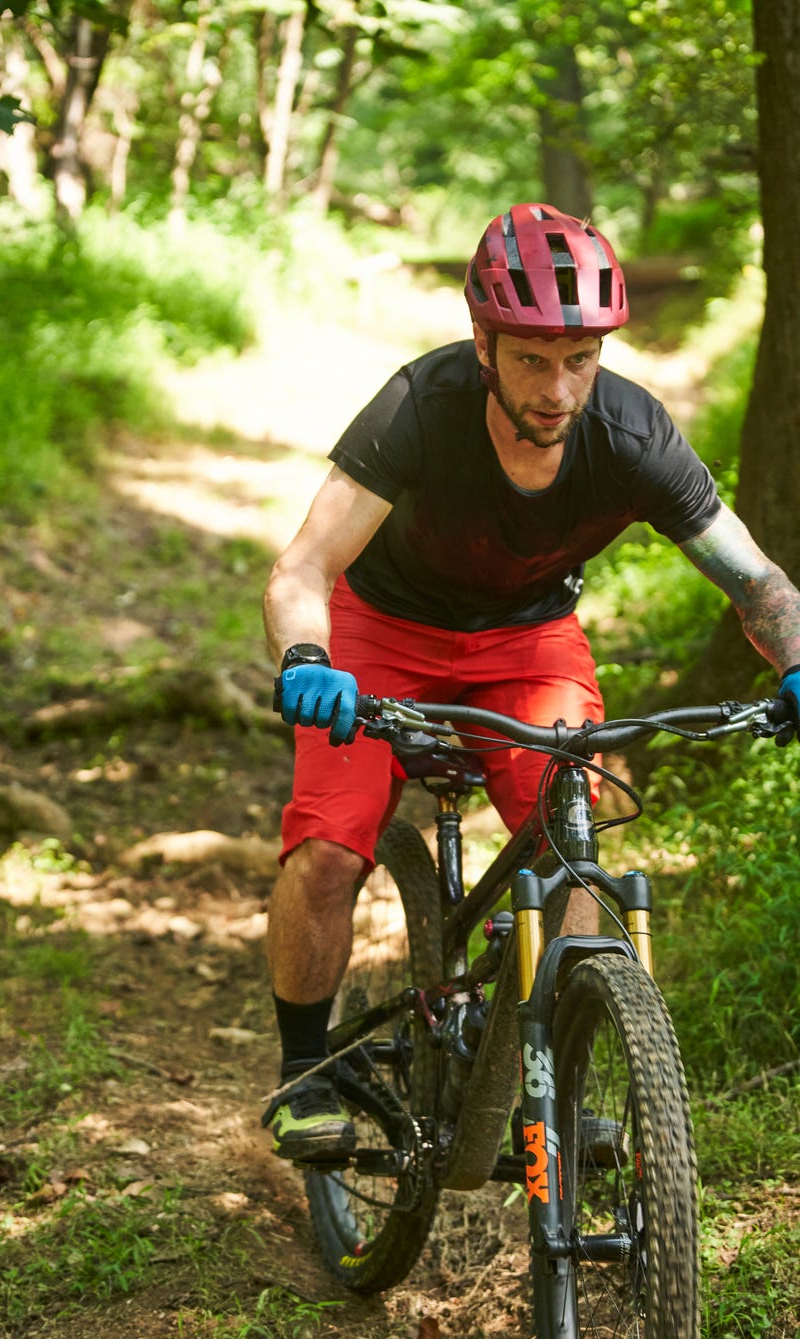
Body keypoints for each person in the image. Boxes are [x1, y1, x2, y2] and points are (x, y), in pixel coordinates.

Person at [262, 201, 800, 1162]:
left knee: (573, 843)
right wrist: (309, 661)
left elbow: (757, 580)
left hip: (529, 643)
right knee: (330, 848)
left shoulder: (632, 435)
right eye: (531, 359)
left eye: (581, 360)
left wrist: (796, 659)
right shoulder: (418, 409)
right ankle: (304, 1072)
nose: (559, 390)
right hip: (382, 635)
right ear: (483, 341)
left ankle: (566, 1073)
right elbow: (303, 569)